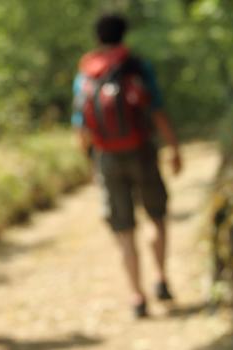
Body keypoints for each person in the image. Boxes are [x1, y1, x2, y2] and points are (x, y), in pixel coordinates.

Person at [72, 14, 182, 318]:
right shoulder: (136, 66)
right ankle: (161, 278)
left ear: (97, 37)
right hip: (142, 149)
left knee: (123, 229)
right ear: (124, 35)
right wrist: (173, 148)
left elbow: (80, 124)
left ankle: (137, 295)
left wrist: (91, 162)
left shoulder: (86, 72)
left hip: (106, 155)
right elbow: (156, 109)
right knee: (156, 216)